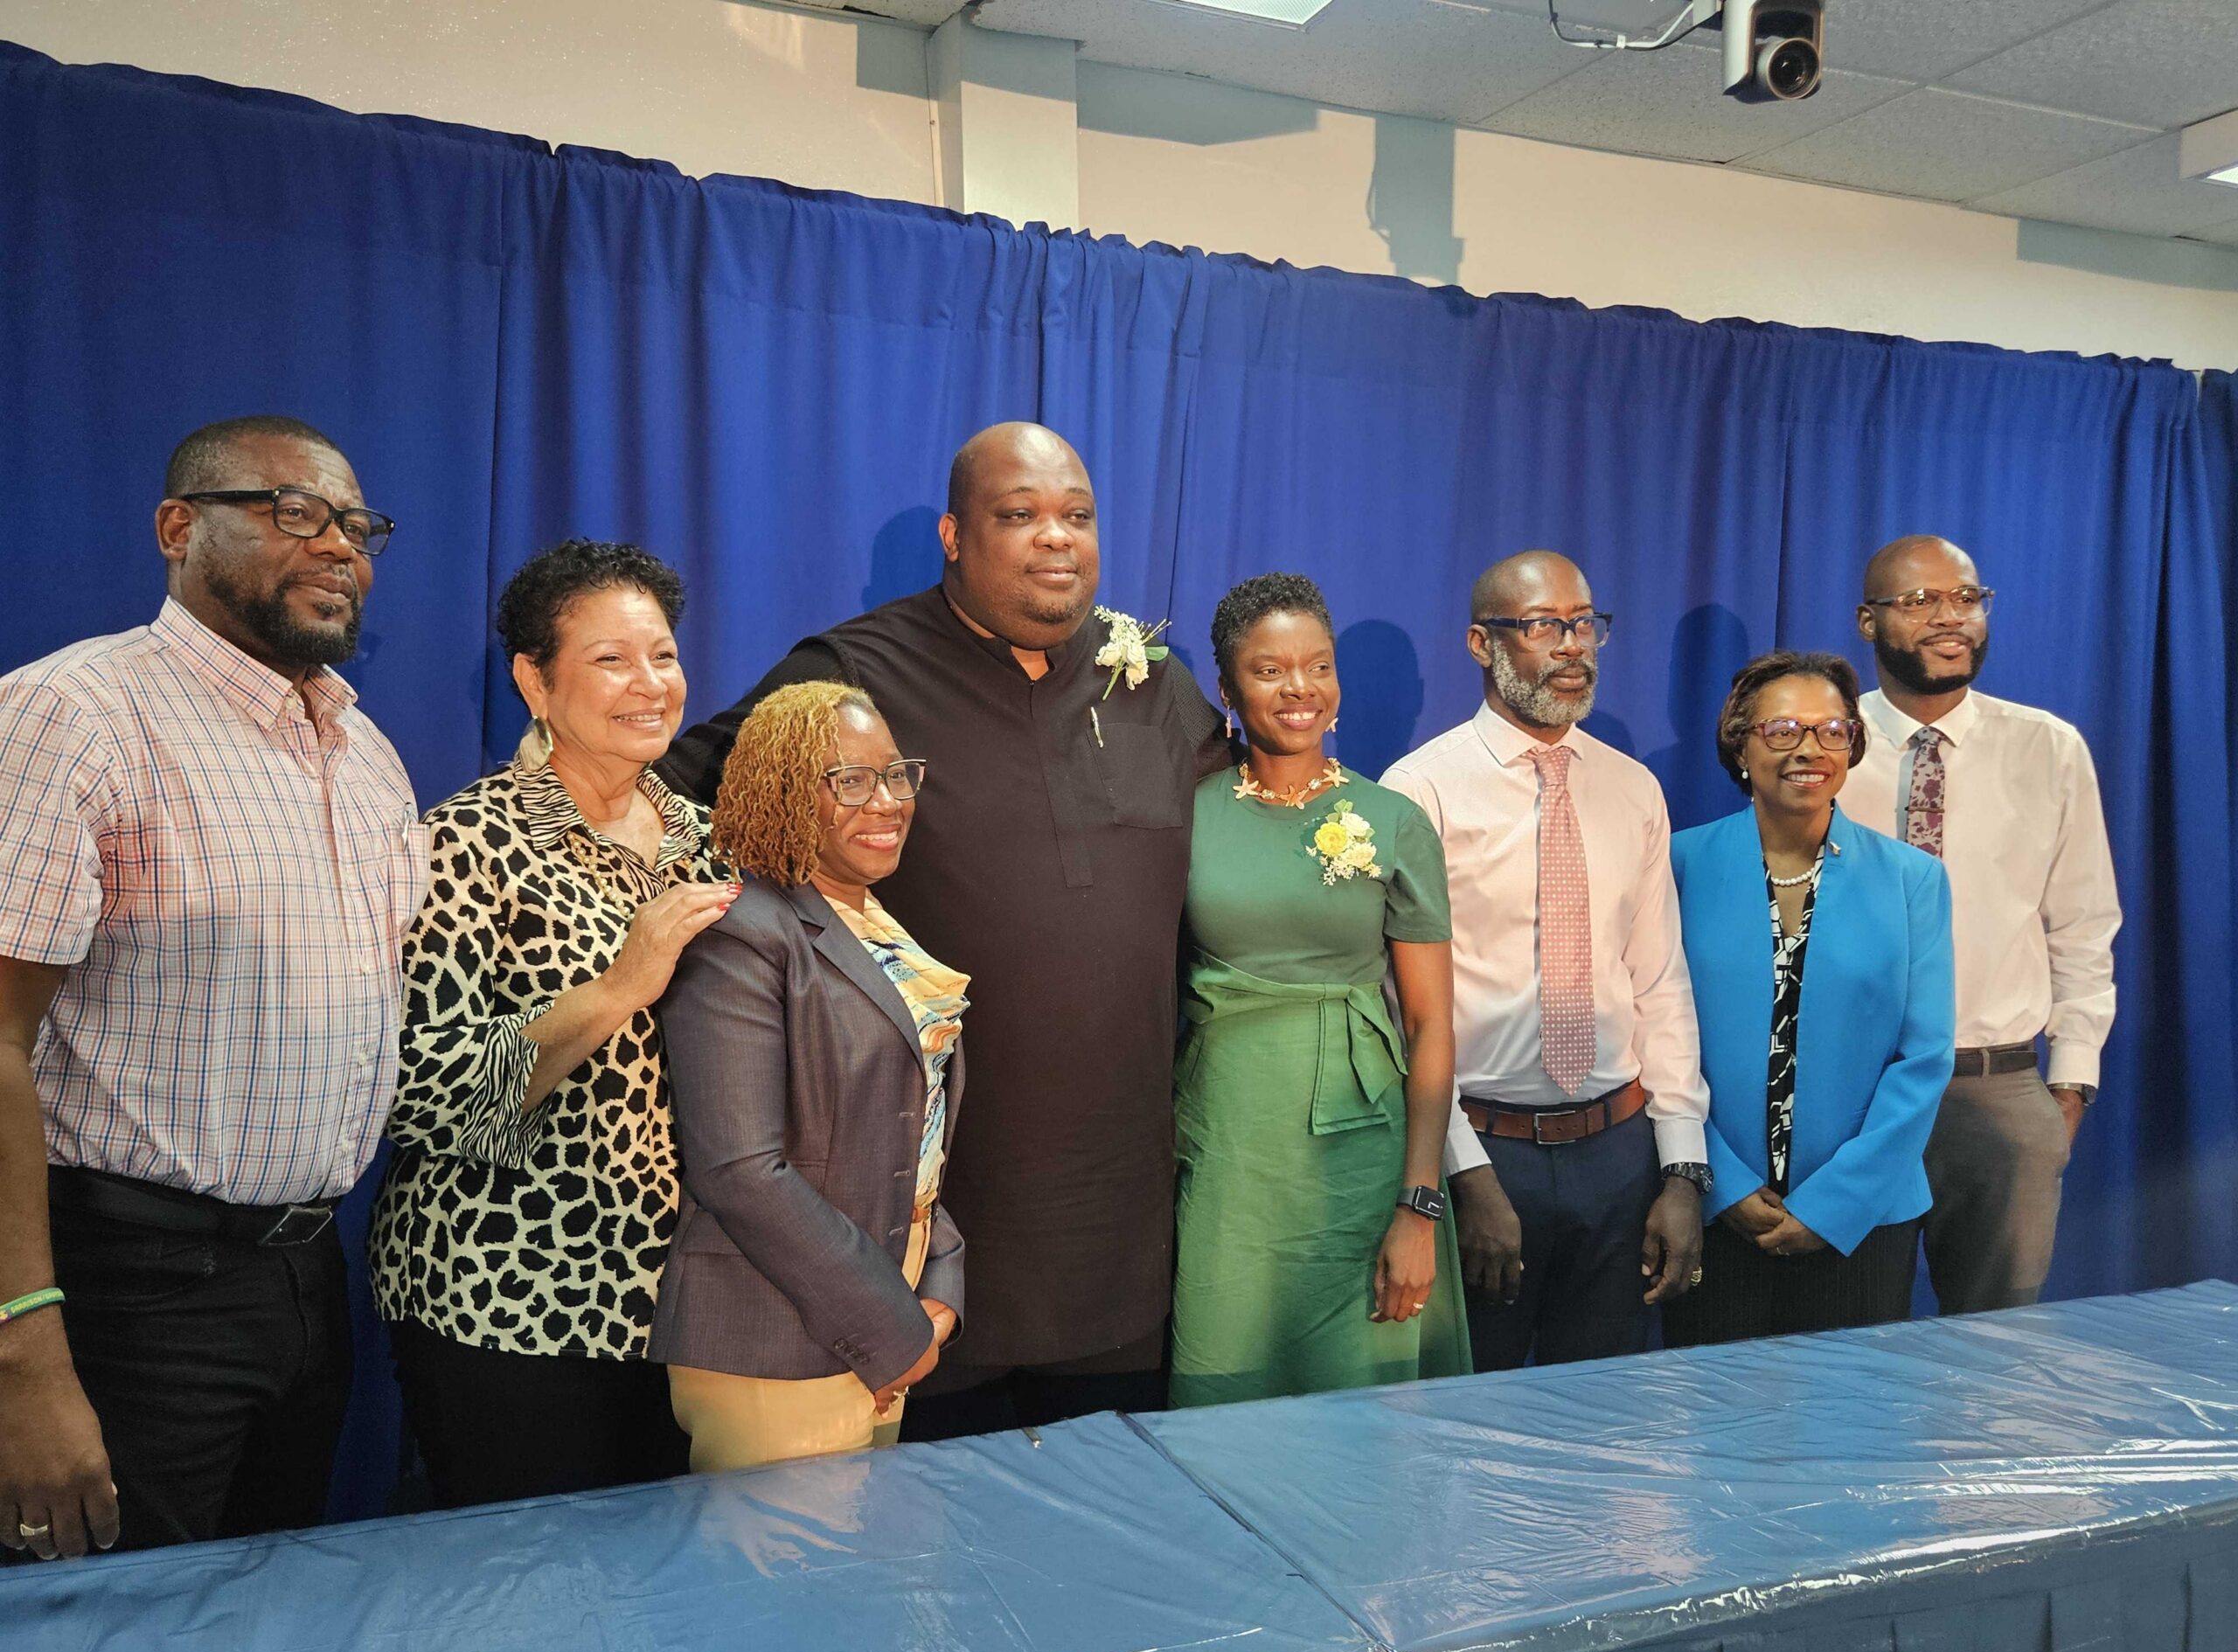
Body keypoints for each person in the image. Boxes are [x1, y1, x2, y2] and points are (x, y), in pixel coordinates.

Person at [660, 422, 1226, 1437]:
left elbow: (1250, 846)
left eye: (1077, 515)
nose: (1055, 537)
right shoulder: (854, 671)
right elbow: (674, 801)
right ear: (954, 537)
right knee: (919, 1521)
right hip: (919, 1243)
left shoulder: (1153, 684)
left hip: (1114, 1233)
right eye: (1019, 514)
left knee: (1106, 1511)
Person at [0, 416, 424, 1562]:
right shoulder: (74, 716)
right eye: (295, 512)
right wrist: (22, 1351)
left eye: (358, 527)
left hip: (306, 1280)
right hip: (125, 1291)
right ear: (177, 528)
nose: (338, 546)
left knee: (262, 1615)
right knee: (104, 1625)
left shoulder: (366, 754)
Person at [367, 540, 737, 1509]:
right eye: (611, 659)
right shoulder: (465, 842)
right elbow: (420, 1095)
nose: (649, 683)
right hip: (509, 1306)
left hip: (683, 1310)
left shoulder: (709, 842)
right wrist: (616, 989)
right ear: (535, 681)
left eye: (663, 655)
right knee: (528, 1582)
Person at [1381, 550, 1710, 1371]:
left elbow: (1659, 983)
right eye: (1542, 626)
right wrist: (1466, 1176)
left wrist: (1682, 1168)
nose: (1573, 646)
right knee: (1469, 1418)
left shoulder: (1633, 788)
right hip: (1486, 1152)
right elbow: (1400, 1008)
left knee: (1604, 1421)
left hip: (1619, 1156)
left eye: (1584, 624)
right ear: (1480, 644)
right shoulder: (1420, 791)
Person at [1170, 575, 1469, 1406]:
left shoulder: (1394, 820)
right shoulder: (1186, 817)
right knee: (1224, 1394)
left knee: (1362, 1411)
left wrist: (1419, 1205)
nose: (1299, 688)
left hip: (1362, 1155)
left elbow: (1431, 1023)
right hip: (1228, 1147)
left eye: (1319, 666)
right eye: (1269, 670)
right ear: (1228, 690)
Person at [652, 683, 966, 1468]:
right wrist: (888, 1326)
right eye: (850, 780)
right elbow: (739, 1170)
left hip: (893, 1302)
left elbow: (913, 1127)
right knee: (787, 1553)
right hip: (778, 1336)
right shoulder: (742, 933)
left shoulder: (875, 925)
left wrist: (939, 1278)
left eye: (895, 774)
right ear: (785, 791)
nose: (886, 801)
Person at [1843, 535, 2119, 1314]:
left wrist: (2069, 1085)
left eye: (1966, 597)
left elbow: (2082, 926)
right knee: (1847, 1343)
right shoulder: (1825, 744)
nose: (1950, 617)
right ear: (1868, 621)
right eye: (1920, 600)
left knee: (1998, 1351)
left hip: (1997, 1092)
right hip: (1853, 1095)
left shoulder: (2048, 749)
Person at [1663, 652, 1955, 1346]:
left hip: (1862, 1218)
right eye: (1783, 729)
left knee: (1850, 1409)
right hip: (1715, 1208)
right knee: (1715, 1405)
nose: (1809, 749)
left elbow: (1924, 1057)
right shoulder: (1677, 863)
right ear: (1740, 745)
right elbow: (1653, 1036)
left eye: (1831, 731)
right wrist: (1721, 1182)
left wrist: (1833, 1205)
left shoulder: (1912, 879)